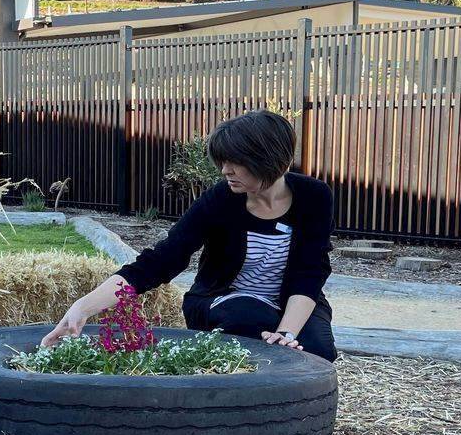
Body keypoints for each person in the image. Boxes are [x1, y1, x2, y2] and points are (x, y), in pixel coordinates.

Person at [45, 110, 337, 360]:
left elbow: (309, 271)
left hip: (288, 300)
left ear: (267, 160)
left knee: (315, 347)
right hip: (226, 300)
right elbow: (161, 260)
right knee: (247, 319)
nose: (225, 170)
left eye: (235, 161)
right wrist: (82, 307)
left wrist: (285, 334)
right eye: (222, 160)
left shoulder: (314, 197)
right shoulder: (219, 200)